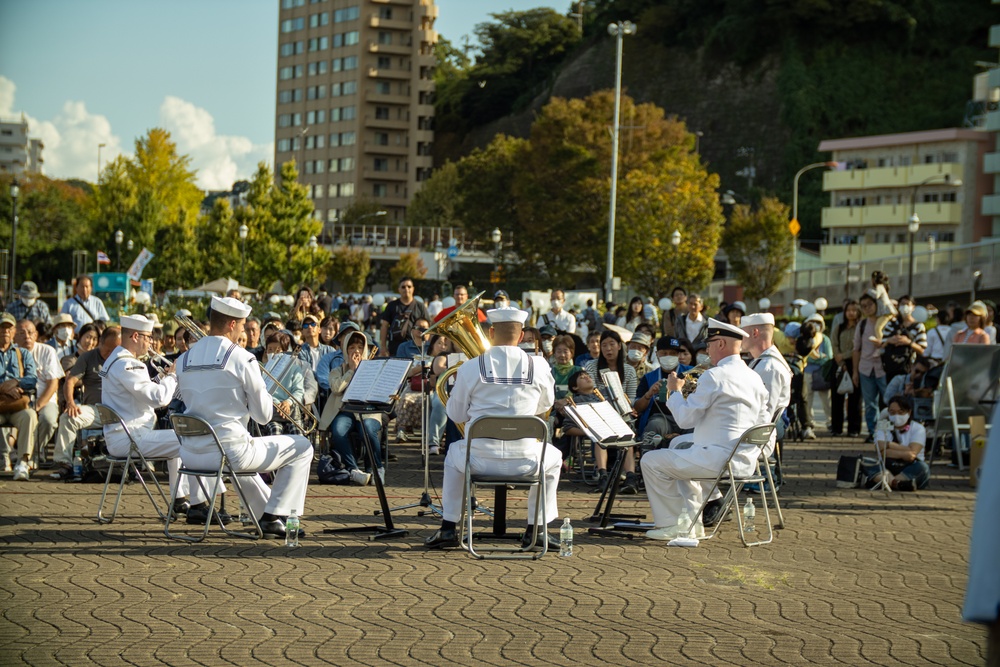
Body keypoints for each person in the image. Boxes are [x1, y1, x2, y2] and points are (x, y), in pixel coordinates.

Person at [175, 296, 313, 539]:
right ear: (231, 324)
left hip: (191, 455)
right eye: (241, 325)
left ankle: (267, 515)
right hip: (228, 454)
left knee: (242, 456)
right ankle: (277, 516)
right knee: (302, 447)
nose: (242, 330)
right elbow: (263, 416)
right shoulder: (241, 357)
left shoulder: (184, 359)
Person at [424, 306, 559, 550]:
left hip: (478, 460)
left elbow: (455, 414)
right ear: (520, 336)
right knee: (555, 458)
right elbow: (546, 405)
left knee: (454, 453)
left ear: (492, 332)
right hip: (526, 461)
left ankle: (448, 528)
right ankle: (536, 529)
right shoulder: (539, 366)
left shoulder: (469, 367)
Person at [641, 318, 770, 540]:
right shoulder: (754, 377)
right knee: (680, 451)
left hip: (718, 458)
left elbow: (684, 419)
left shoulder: (714, 375)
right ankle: (691, 524)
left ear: (720, 344)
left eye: (709, 343)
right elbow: (764, 421)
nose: (707, 349)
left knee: (650, 462)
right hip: (744, 460)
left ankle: (671, 523)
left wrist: (674, 391)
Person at [100, 315, 203, 515]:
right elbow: (159, 399)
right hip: (131, 438)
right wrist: (172, 377)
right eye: (148, 337)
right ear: (135, 336)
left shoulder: (115, 360)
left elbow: (137, 395)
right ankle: (200, 504)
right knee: (191, 439)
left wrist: (161, 378)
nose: (151, 342)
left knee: (177, 438)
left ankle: (179, 498)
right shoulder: (129, 364)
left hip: (123, 435)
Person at [50, 326, 120, 479]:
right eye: (107, 350)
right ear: (100, 342)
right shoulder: (87, 357)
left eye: (113, 351)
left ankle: (138, 462)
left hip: (121, 410)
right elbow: (70, 381)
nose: (109, 355)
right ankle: (65, 463)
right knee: (68, 418)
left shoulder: (122, 358)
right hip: (96, 410)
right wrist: (70, 403)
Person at [319, 330, 385, 485]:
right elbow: (336, 388)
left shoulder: (373, 369)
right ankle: (354, 469)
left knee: (367, 429)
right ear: (345, 351)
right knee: (338, 430)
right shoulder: (337, 370)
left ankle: (376, 468)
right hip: (345, 410)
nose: (356, 351)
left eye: (360, 347)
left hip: (368, 412)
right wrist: (351, 371)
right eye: (352, 347)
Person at [583, 329, 638, 492]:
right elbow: (589, 394)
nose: (608, 349)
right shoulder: (592, 366)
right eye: (604, 345)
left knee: (628, 432)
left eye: (612, 344)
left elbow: (632, 398)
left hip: (622, 415)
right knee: (601, 432)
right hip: (600, 415)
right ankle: (603, 474)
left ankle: (630, 477)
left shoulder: (629, 370)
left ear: (620, 346)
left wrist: (628, 407)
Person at [15, 319, 63, 468]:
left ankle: (32, 454)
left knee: (48, 420)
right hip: (17, 400)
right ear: (15, 336)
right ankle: (10, 456)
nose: (27, 336)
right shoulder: (10, 353)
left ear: (36, 335)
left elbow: (53, 383)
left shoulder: (47, 351)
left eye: (30, 333)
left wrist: (38, 405)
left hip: (45, 399)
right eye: (22, 333)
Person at [740, 313, 792, 444]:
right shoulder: (762, 360)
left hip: (769, 427)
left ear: (755, 333)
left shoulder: (769, 367)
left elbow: (765, 413)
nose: (740, 338)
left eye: (742, 332)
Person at [861, 395, 929, 491]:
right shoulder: (883, 426)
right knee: (866, 462)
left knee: (923, 467)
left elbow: (913, 453)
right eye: (892, 412)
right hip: (887, 466)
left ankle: (883, 482)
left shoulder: (918, 428)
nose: (896, 416)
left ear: (909, 412)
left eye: (900, 412)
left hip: (910, 466)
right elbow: (881, 450)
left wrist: (888, 445)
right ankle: (897, 484)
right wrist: (905, 452)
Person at [633, 336, 694, 442]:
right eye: (664, 353)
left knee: (695, 429)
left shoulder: (691, 373)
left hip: (687, 417)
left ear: (678, 355)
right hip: (661, 418)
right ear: (657, 354)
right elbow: (637, 408)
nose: (668, 356)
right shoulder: (649, 377)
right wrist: (649, 394)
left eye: (672, 353)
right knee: (655, 425)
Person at [0, 313, 38, 479]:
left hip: (17, 405)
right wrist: (4, 388)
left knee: (30, 415)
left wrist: (16, 382)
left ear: (14, 331)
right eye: (2, 328)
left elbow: (32, 379)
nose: (6, 332)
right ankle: (4, 457)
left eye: (9, 328)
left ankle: (22, 462)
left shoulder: (23, 353)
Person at [853, 293, 887, 442]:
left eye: (869, 304)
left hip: (883, 367)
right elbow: (856, 349)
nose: (866, 308)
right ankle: (873, 432)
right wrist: (855, 372)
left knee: (887, 401)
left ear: (876, 305)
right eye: (863, 305)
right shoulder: (862, 324)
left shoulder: (886, 321)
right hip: (865, 368)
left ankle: (886, 433)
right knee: (870, 404)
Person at [830, 301, 863, 437]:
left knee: (855, 398)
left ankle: (854, 429)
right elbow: (834, 343)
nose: (851, 313)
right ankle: (836, 428)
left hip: (855, 363)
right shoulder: (839, 327)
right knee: (837, 397)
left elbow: (859, 348)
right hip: (838, 364)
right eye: (848, 310)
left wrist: (844, 355)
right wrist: (840, 360)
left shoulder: (861, 328)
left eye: (854, 310)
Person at [880, 295, 927, 384]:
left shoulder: (918, 326)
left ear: (913, 307)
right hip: (891, 367)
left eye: (907, 304)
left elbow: (922, 350)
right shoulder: (891, 324)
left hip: (908, 367)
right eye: (902, 304)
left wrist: (908, 342)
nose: (904, 306)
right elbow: (882, 345)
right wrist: (890, 340)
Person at [380, 277, 431, 357]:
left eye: (409, 286)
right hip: (395, 347)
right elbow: (384, 326)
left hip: (415, 349)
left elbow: (428, 327)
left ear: (413, 289)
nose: (406, 289)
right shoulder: (392, 306)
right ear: (399, 289)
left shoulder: (420, 306)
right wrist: (383, 347)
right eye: (403, 287)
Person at [866, 270, 896, 344]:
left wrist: (868, 291)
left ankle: (881, 341)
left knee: (877, 328)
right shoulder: (882, 287)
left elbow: (876, 295)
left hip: (886, 311)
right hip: (887, 311)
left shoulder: (879, 286)